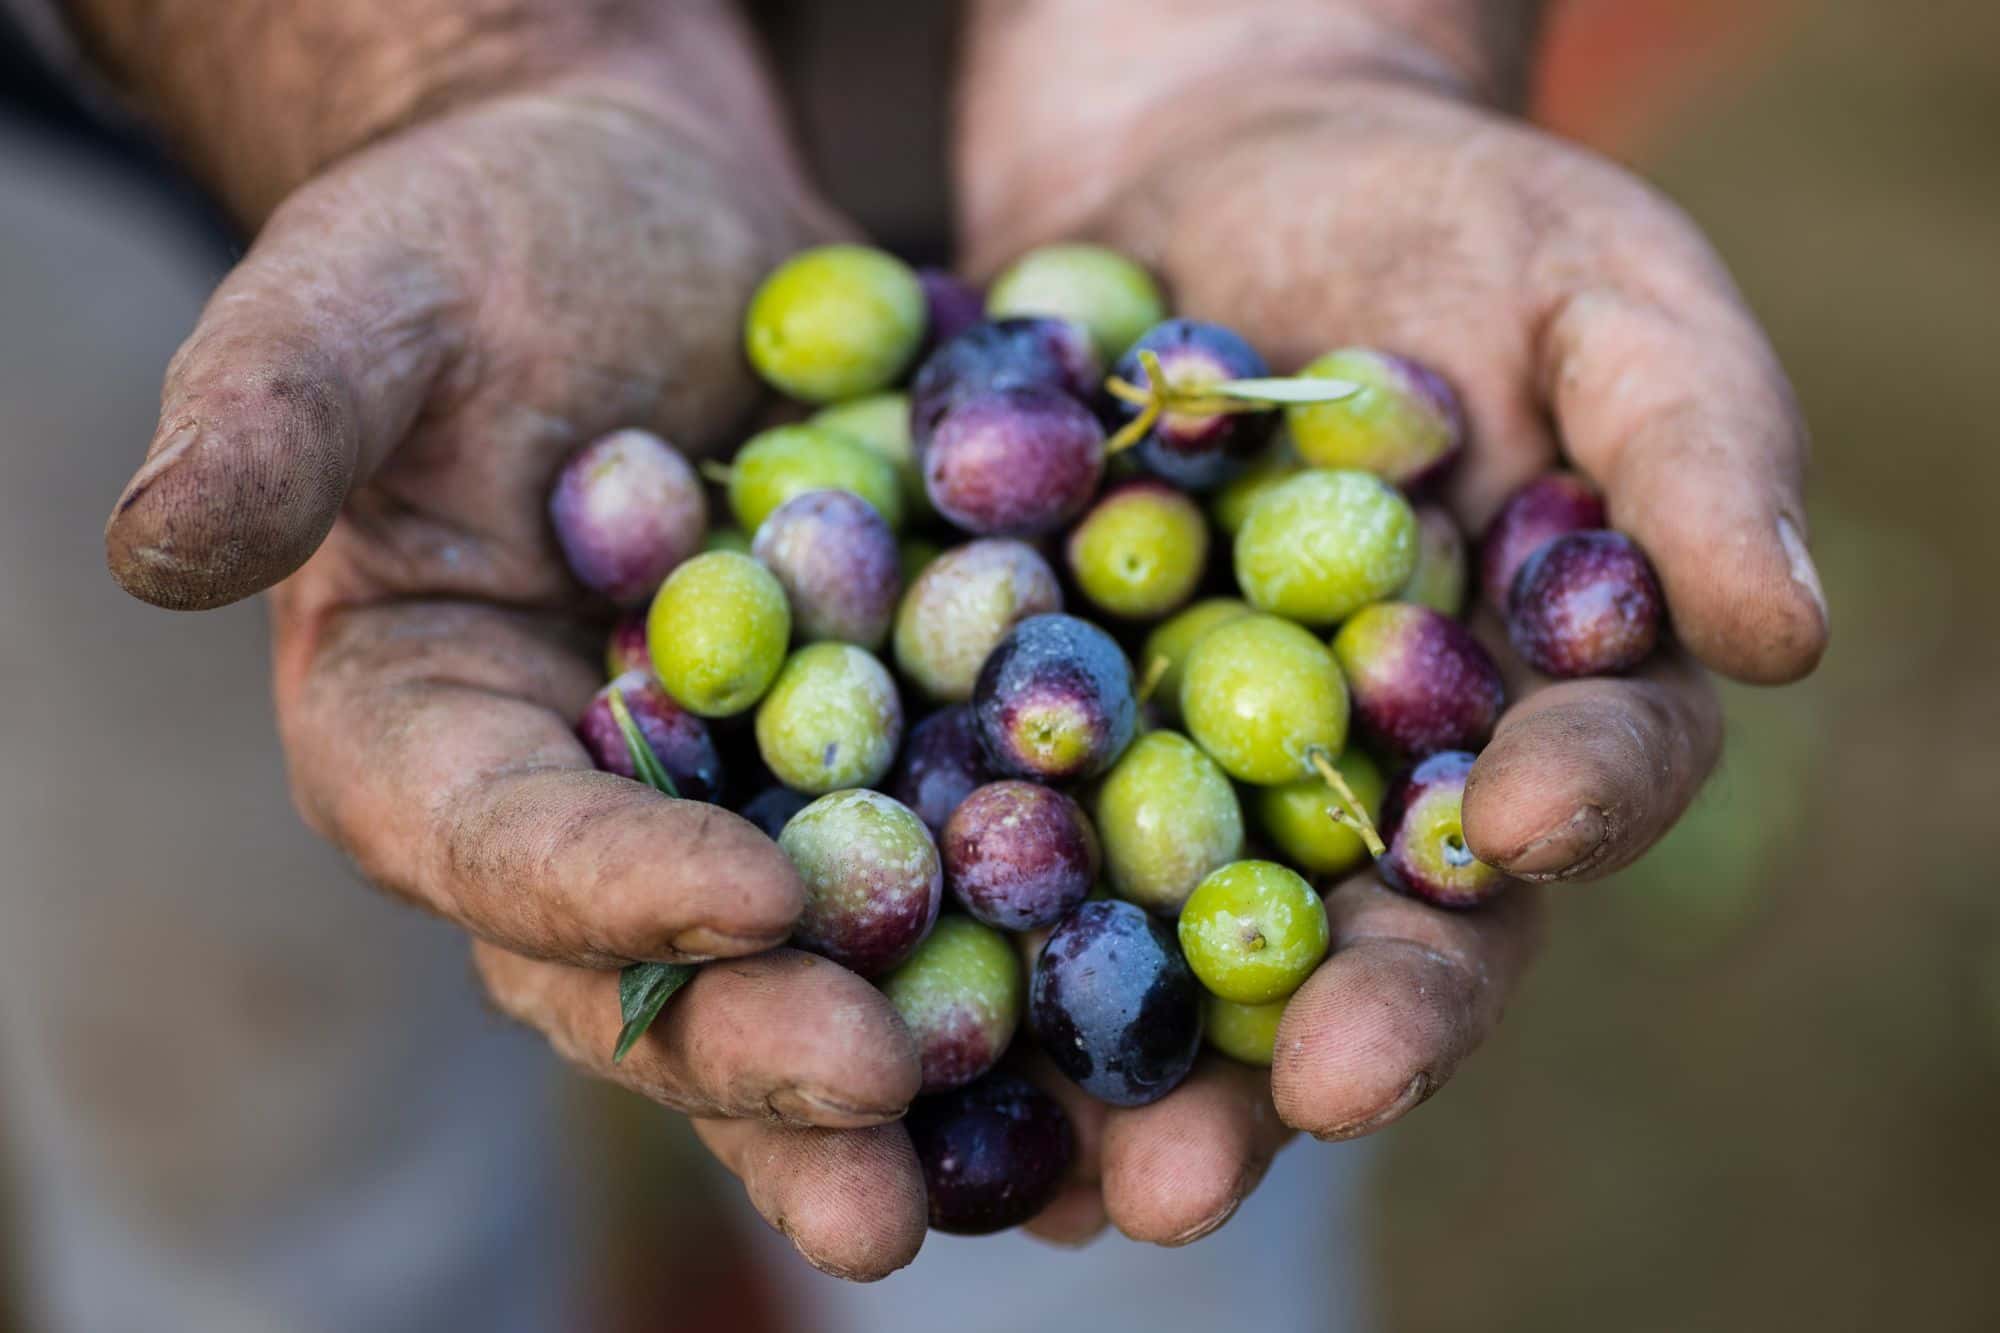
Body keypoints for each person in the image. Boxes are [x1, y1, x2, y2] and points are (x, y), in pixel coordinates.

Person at [2, 0, 1829, 1325]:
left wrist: (1320, 42)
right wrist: (438, 61)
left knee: (1124, 1202)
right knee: (252, 1126)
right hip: (169, 170)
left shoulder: (1114, 624)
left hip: (1129, 107)